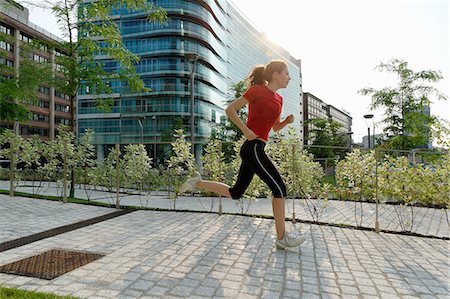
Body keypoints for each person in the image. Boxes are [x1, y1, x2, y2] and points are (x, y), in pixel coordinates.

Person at [180, 60, 306, 250]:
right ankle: (282, 237)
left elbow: (275, 127)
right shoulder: (256, 91)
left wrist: (286, 122)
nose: (289, 77)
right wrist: (245, 130)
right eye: (287, 73)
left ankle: (197, 182)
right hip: (252, 147)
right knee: (279, 189)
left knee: (236, 192)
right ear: (275, 75)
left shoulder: (279, 99)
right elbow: (230, 110)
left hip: (258, 148)